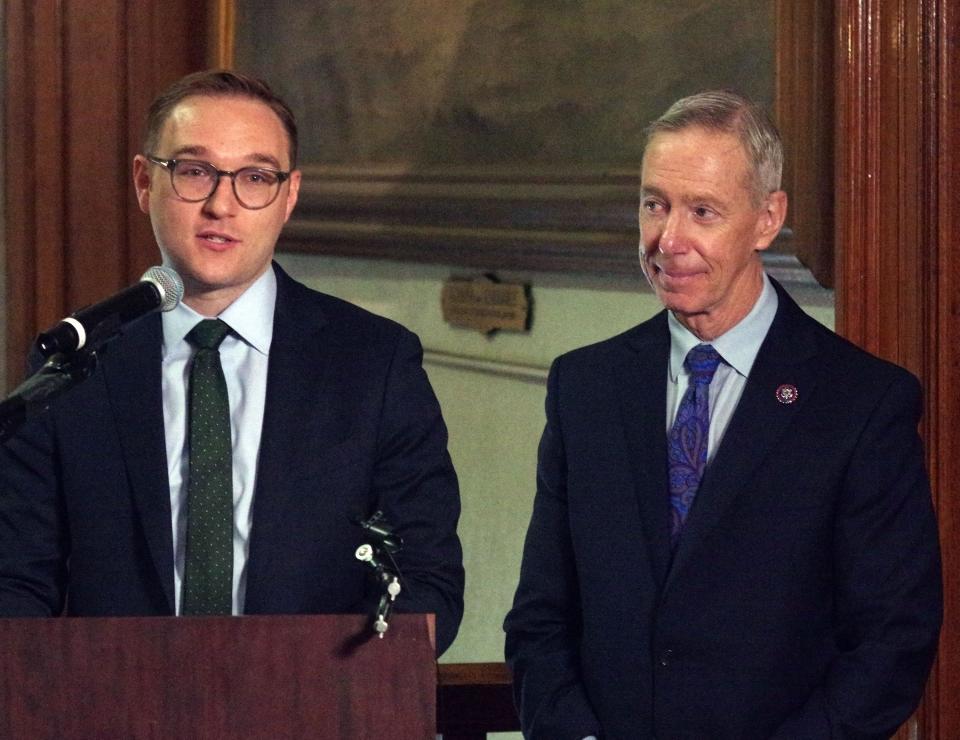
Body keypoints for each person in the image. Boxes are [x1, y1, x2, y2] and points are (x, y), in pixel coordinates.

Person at [503, 90, 942, 737]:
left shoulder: (861, 404)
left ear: (768, 220)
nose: (668, 239)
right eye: (655, 205)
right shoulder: (586, 387)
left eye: (702, 211)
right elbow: (541, 618)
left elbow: (891, 643)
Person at [0, 70, 464, 655]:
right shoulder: (76, 364)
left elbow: (429, 583)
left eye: (255, 177)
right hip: (119, 707)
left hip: (315, 707)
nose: (223, 204)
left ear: (288, 196)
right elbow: (15, 582)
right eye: (194, 172)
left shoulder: (375, 363)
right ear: (145, 182)